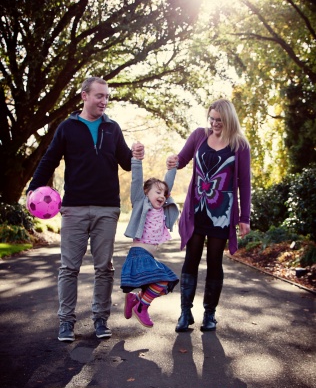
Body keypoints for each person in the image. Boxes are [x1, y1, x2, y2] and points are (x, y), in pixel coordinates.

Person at [26, 77, 144, 342]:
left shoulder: (112, 128)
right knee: (69, 268)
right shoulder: (67, 128)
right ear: (84, 96)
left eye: (106, 97)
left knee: (104, 268)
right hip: (74, 208)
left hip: (107, 208)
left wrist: (137, 153)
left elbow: (125, 162)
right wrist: (32, 188)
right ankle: (66, 323)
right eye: (99, 96)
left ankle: (100, 320)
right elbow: (49, 160)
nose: (104, 101)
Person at [167, 98, 251, 333]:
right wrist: (173, 160)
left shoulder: (240, 145)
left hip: (221, 212)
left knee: (215, 262)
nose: (214, 124)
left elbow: (244, 183)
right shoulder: (198, 136)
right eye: (212, 119)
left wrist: (245, 217)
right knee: (191, 259)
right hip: (196, 209)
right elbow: (182, 160)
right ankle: (185, 313)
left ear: (229, 120)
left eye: (219, 121)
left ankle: (210, 314)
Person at [120, 155, 179, 328]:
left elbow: (169, 185)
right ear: (146, 192)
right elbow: (136, 179)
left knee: (163, 284)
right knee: (163, 280)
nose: (162, 196)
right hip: (139, 255)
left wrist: (172, 168)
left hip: (148, 258)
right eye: (157, 192)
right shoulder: (141, 202)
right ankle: (141, 308)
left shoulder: (163, 209)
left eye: (164, 194)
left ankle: (136, 298)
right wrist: (136, 160)